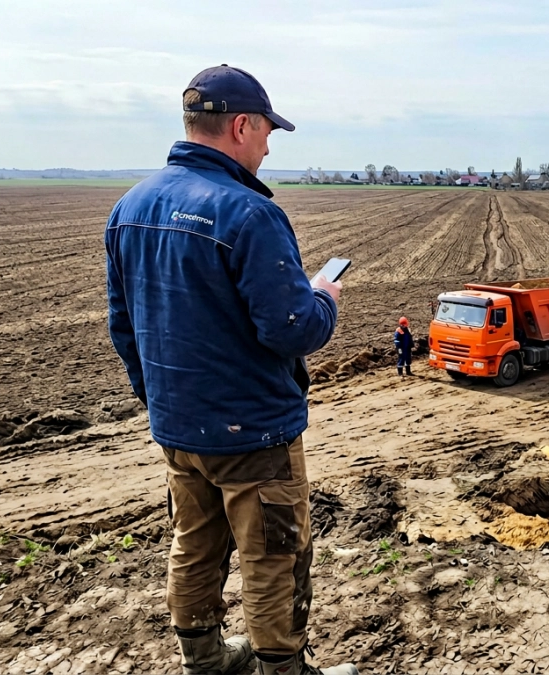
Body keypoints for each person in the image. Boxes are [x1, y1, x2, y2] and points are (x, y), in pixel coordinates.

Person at [105, 64, 359, 675]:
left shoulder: (130, 206)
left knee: (194, 544)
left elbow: (123, 325)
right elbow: (292, 329)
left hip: (178, 429)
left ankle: (205, 661)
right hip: (255, 434)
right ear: (241, 126)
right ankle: (282, 670)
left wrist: (159, 402)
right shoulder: (248, 213)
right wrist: (323, 296)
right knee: (275, 555)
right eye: (268, 132)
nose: (269, 147)